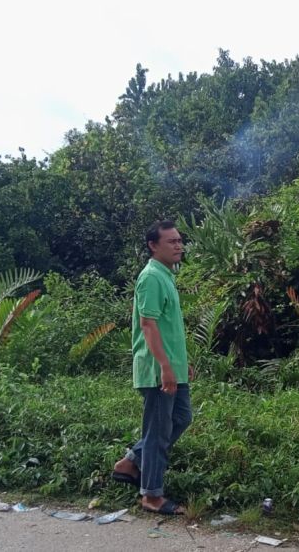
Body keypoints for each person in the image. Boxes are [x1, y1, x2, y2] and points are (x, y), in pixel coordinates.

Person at [111, 220, 193, 515]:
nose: (178, 245)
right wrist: (165, 368)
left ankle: (131, 461)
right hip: (159, 370)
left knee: (182, 417)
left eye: (179, 240)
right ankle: (151, 495)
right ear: (153, 246)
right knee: (158, 432)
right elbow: (148, 325)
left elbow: (169, 328)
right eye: (171, 241)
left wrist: (181, 364)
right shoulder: (151, 278)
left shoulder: (166, 276)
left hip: (173, 367)